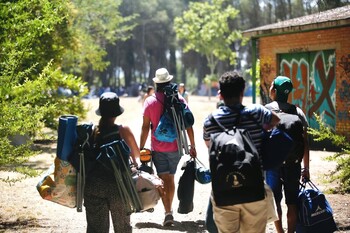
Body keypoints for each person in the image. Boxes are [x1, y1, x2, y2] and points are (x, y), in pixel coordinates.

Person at [203, 71, 280, 233]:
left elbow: (209, 145)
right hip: (254, 187)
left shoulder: (210, 121)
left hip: (224, 189)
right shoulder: (257, 112)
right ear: (242, 92)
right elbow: (276, 120)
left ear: (220, 95)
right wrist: (260, 132)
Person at [139, 68, 197, 227]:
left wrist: (141, 147)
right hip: (176, 148)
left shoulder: (150, 101)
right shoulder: (179, 100)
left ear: (156, 83)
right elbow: (188, 125)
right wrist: (192, 145)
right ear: (170, 82)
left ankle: (168, 212)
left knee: (163, 178)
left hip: (157, 147)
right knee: (170, 178)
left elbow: (145, 127)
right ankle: (168, 211)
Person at [84, 92, 140, 233]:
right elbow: (137, 155)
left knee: (96, 230)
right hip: (118, 187)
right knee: (122, 229)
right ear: (116, 112)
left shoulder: (91, 132)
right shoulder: (123, 131)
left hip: (93, 186)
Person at [265, 76, 310, 233]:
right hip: (293, 164)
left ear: (275, 91)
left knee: (275, 202)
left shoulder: (266, 110)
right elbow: (305, 143)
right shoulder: (297, 112)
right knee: (292, 202)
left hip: (272, 165)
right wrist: (306, 168)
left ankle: (280, 232)